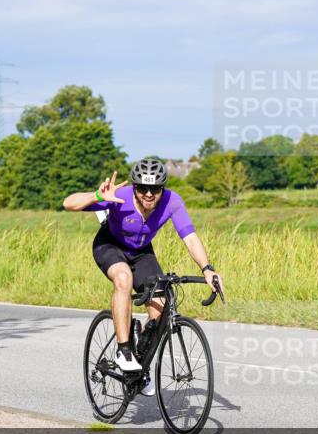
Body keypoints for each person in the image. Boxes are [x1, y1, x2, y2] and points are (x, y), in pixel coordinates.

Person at [63, 159, 223, 395]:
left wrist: (207, 268)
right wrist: (97, 195)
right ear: (135, 187)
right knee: (123, 278)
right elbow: (68, 203)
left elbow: (189, 236)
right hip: (110, 245)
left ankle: (139, 364)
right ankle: (123, 349)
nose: (149, 194)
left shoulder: (172, 201)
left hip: (141, 252)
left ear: (163, 188)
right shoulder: (121, 196)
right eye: (142, 188)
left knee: (160, 304)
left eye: (155, 189)